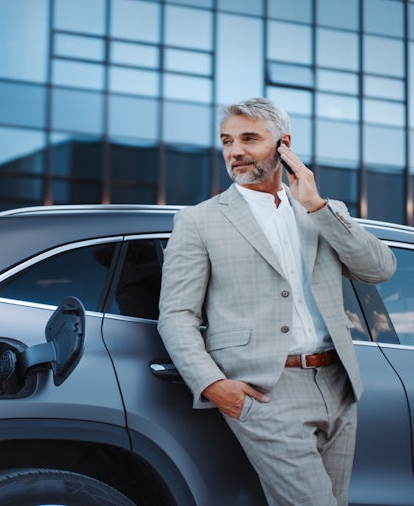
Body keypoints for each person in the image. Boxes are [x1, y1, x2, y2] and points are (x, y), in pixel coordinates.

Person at [157, 97, 396, 505]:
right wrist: (213, 385)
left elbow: (378, 269)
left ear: (283, 144)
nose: (235, 151)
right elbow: (177, 314)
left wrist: (317, 207)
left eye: (249, 138)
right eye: (227, 141)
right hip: (266, 388)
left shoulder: (322, 211)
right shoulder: (199, 220)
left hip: (338, 381)